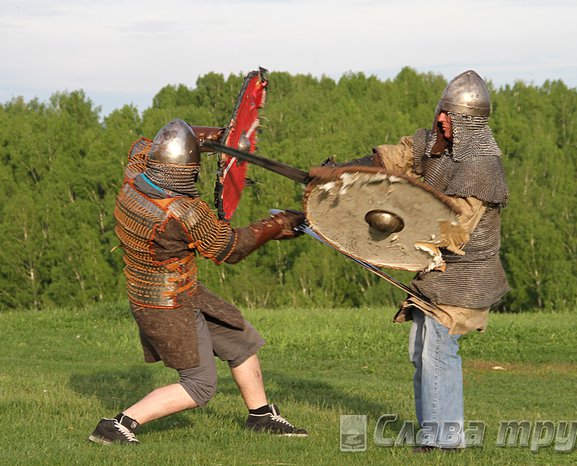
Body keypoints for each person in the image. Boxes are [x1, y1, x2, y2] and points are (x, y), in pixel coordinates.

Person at [89, 118, 308, 445]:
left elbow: (145, 145)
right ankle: (116, 425)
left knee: (240, 339)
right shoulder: (183, 212)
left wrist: (220, 138)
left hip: (181, 289)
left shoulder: (134, 176)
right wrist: (277, 225)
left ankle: (261, 416)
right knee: (199, 385)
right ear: (187, 172)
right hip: (165, 305)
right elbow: (230, 247)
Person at [338, 70, 509, 452]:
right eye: (442, 111)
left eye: (450, 115)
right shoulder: (438, 145)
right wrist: (343, 173)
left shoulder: (481, 166)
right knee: (421, 352)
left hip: (463, 274)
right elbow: (395, 157)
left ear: (467, 121)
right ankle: (435, 432)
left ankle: (444, 439)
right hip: (435, 271)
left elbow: (456, 228)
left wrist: (401, 235)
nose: (441, 119)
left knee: (437, 353)